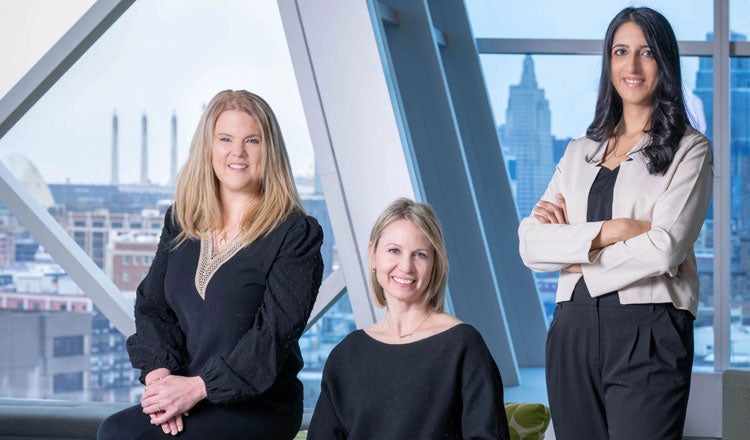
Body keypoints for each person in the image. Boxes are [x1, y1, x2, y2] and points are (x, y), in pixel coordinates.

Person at [518, 7, 712, 440]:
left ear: (664, 62)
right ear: (608, 63)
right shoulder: (577, 152)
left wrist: (573, 253)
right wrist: (610, 231)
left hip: (649, 329)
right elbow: (530, 244)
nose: (632, 65)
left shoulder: (689, 149)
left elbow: (666, 247)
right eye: (621, 51)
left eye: (646, 52)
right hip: (571, 330)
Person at [98, 90, 324, 439]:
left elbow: (272, 338)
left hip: (258, 404)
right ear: (209, 147)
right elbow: (153, 307)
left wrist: (197, 389)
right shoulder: (182, 220)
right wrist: (162, 384)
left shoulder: (295, 233)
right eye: (225, 139)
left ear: (270, 151)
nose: (238, 152)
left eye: (252, 140)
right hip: (185, 392)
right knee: (114, 430)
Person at [309, 198, 510, 440]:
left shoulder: (463, 346)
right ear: (373, 254)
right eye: (394, 250)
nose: (406, 266)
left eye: (420, 255)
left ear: (435, 263)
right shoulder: (347, 354)